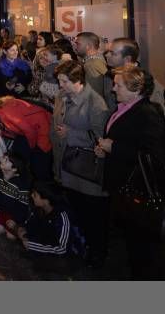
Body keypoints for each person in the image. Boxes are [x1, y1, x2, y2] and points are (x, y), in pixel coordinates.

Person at [94, 66, 165, 279]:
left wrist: (113, 147)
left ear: (137, 89)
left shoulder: (147, 113)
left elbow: (152, 153)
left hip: (136, 190)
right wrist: (106, 150)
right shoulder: (124, 107)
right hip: (121, 186)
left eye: (119, 85)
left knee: (139, 245)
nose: (114, 89)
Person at [50, 59, 110, 267]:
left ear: (78, 81)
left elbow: (100, 136)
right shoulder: (62, 96)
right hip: (65, 164)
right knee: (75, 209)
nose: (60, 85)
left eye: (64, 81)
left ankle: (96, 253)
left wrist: (71, 133)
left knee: (92, 215)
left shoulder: (96, 103)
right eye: (59, 81)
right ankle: (77, 244)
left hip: (84, 171)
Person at [102, 38, 165, 116]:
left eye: (112, 53)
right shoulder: (108, 76)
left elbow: (156, 116)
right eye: (108, 52)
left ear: (127, 59)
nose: (106, 55)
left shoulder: (147, 84)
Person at [17, 180, 73, 257]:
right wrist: (22, 228)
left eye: (35, 194)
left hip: (58, 258)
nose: (32, 195)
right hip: (41, 246)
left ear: (46, 200)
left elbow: (63, 249)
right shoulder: (38, 209)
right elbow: (28, 224)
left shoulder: (61, 217)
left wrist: (32, 245)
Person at [0, 155, 32, 240]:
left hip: (13, 216)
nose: (2, 160)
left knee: (11, 236)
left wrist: (15, 221)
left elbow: (23, 208)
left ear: (14, 169)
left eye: (6, 160)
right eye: (4, 158)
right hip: (2, 212)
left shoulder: (22, 185)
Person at [74, 32, 107, 97]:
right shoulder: (95, 61)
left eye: (78, 44)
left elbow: (93, 93)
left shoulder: (91, 64)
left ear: (88, 46)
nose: (75, 47)